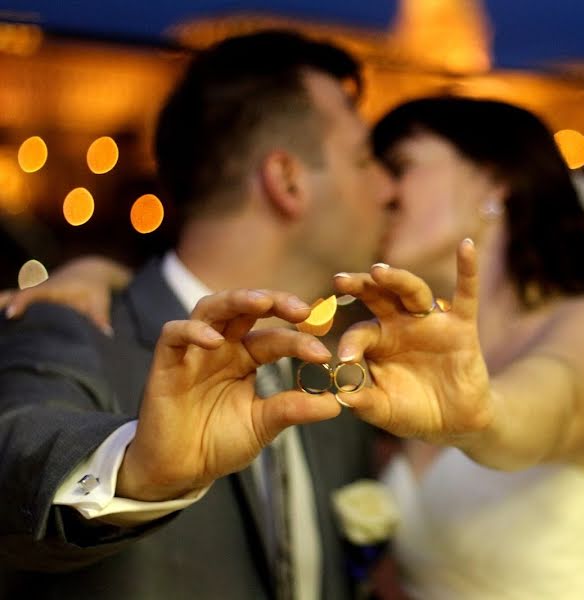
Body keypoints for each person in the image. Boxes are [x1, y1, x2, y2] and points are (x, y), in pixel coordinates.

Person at [0, 31, 394, 599]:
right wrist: (136, 469)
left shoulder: (334, 365)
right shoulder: (74, 325)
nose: (387, 188)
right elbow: (17, 454)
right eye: (364, 159)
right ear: (286, 181)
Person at [326, 96, 584, 599]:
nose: (382, 189)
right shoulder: (403, 362)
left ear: (494, 182)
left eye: (400, 166)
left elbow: (555, 406)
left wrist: (483, 413)